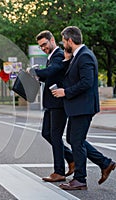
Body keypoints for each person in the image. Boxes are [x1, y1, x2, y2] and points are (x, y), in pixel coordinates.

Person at [52, 26, 115, 190]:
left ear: (70, 41)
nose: (63, 44)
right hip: (77, 107)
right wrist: (66, 61)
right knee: (74, 140)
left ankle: (80, 179)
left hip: (83, 107)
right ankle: (105, 163)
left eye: (64, 41)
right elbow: (73, 76)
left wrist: (65, 92)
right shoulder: (76, 56)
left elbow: (86, 82)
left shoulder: (85, 56)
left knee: (77, 142)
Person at [28, 30, 74, 182]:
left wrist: (35, 71)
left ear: (52, 40)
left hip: (59, 104)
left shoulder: (59, 55)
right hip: (51, 103)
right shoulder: (51, 57)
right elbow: (50, 75)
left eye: (44, 44)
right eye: (40, 46)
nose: (43, 48)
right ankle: (71, 158)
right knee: (46, 133)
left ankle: (59, 172)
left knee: (54, 135)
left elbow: (52, 71)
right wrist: (36, 76)